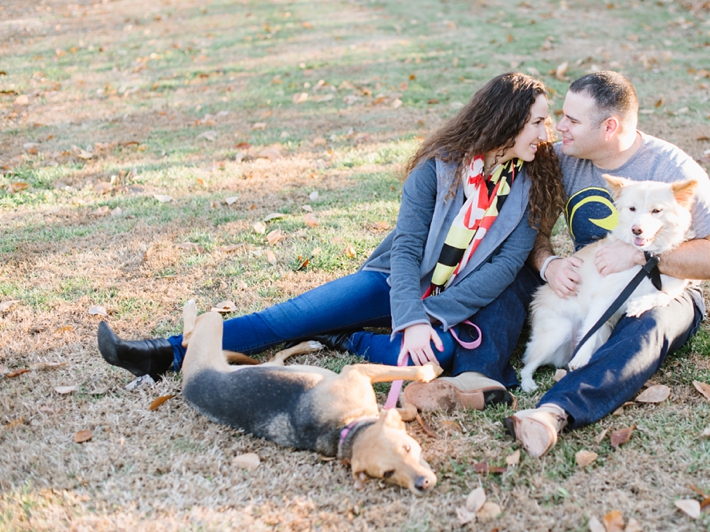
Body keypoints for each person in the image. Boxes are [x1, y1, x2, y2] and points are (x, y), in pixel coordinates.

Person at [97, 72, 565, 410]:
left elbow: (505, 268)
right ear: (505, 122)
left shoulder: (533, 187)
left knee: (438, 354)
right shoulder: (437, 170)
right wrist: (410, 316)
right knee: (286, 318)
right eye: (537, 123)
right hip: (392, 280)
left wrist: (433, 317)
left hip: (454, 300)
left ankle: (348, 338)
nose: (545, 135)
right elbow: (405, 250)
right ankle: (165, 352)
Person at [505, 71, 710, 457]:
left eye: (572, 120)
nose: (558, 127)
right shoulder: (564, 157)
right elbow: (534, 233)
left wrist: (640, 255)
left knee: (646, 328)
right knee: (508, 277)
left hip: (664, 287)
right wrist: (548, 263)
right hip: (590, 278)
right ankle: (477, 376)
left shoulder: (671, 169)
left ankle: (554, 412)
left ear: (609, 127)